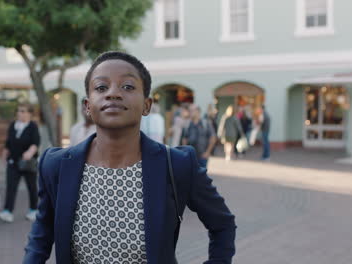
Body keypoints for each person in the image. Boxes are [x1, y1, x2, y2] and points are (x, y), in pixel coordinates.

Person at [23, 51, 236, 264]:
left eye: (127, 86)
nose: (113, 93)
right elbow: (40, 237)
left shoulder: (177, 164)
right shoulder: (57, 165)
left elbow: (223, 225)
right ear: (88, 106)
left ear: (146, 105)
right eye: (101, 88)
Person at [0, 103, 41, 223]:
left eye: (22, 111)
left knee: (31, 187)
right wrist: (4, 156)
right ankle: (8, 212)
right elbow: (8, 143)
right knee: (11, 187)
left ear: (29, 114)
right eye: (18, 111)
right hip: (13, 162)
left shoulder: (33, 126)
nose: (19, 113)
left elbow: (35, 143)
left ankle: (33, 210)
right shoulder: (13, 125)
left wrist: (29, 153)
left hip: (28, 163)